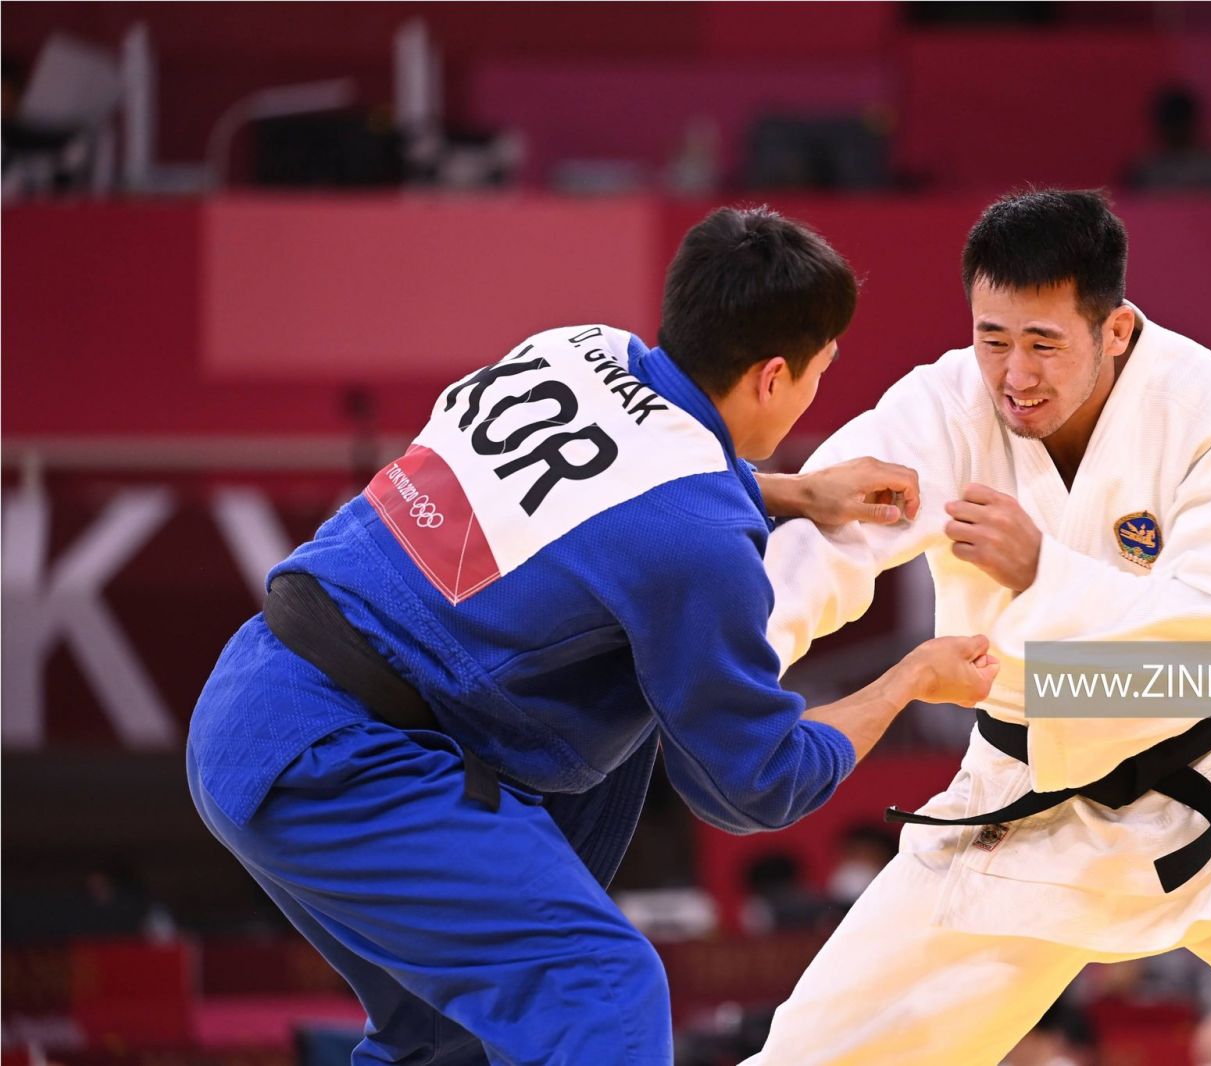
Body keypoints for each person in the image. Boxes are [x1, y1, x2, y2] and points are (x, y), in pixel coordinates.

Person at [186, 205, 1000, 1064]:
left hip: (257, 698)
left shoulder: (575, 348)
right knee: (601, 989)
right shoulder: (698, 540)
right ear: (772, 377)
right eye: (817, 374)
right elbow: (755, 782)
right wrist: (910, 678)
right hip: (345, 762)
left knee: (451, 1040)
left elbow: (617, 494)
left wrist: (794, 491)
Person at [747, 189, 1211, 1064]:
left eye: (1043, 343)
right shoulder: (942, 408)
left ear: (1114, 330)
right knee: (814, 1052)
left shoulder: (1205, 403)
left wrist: (1048, 572)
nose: (1014, 375)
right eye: (992, 338)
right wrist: (733, 659)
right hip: (1024, 795)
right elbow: (828, 540)